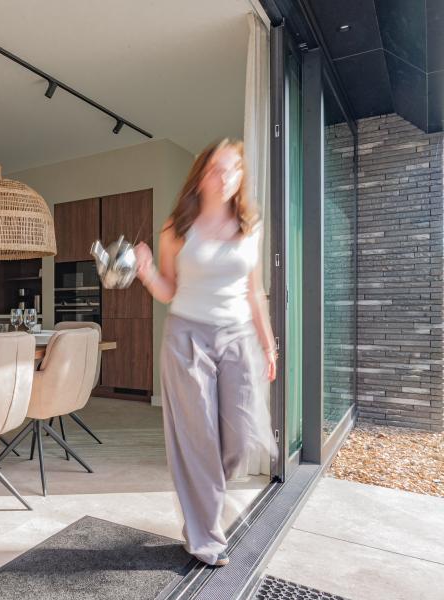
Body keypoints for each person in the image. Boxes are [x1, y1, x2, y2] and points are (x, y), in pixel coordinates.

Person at [134, 138, 277, 567]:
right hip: (187, 338)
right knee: (198, 443)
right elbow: (168, 289)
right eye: (216, 168)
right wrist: (147, 272)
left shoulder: (249, 226)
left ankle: (204, 496)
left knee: (239, 437)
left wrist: (268, 343)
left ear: (240, 176)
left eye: (232, 169)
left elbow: (254, 292)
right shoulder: (177, 228)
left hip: (238, 337)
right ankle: (204, 538)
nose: (224, 176)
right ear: (200, 176)